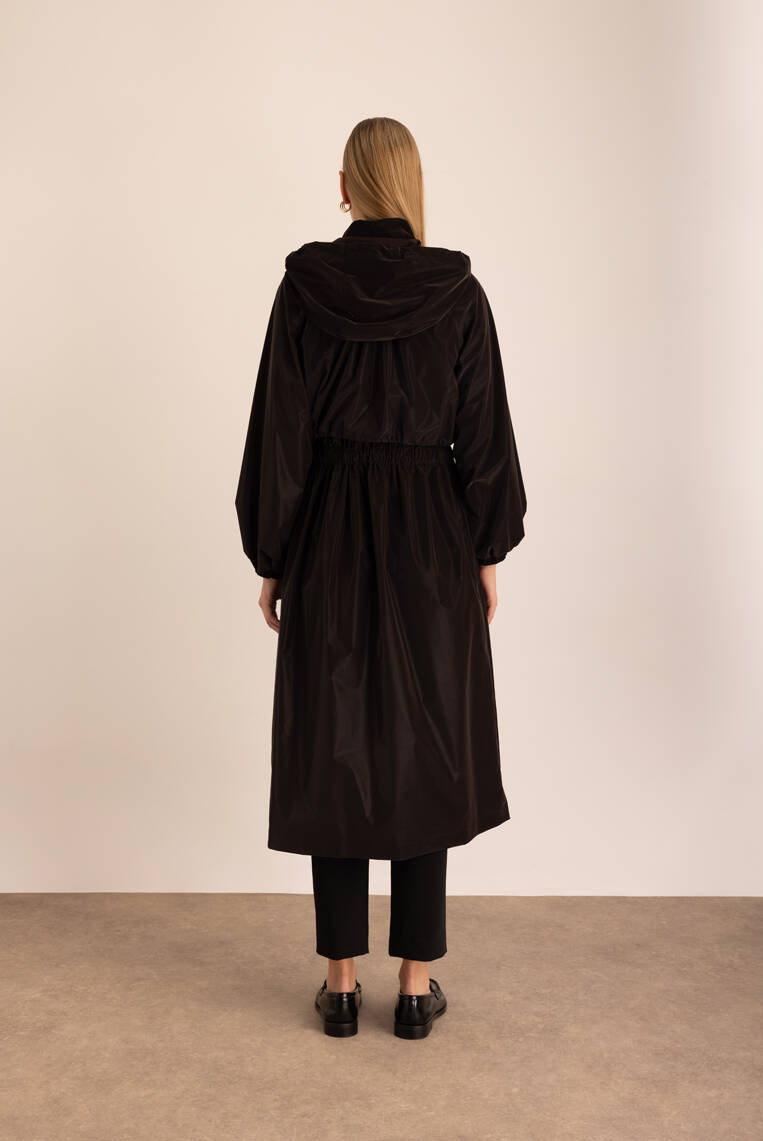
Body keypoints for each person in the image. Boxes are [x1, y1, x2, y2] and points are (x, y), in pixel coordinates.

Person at [235, 117, 527, 1039]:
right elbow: (484, 435)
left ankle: (338, 981)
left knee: (334, 744)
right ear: (410, 185)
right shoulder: (459, 293)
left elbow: (280, 432)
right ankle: (414, 983)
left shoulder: (302, 289)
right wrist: (485, 552)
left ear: (345, 186)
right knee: (426, 747)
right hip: (432, 540)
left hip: (327, 531)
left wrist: (274, 556)